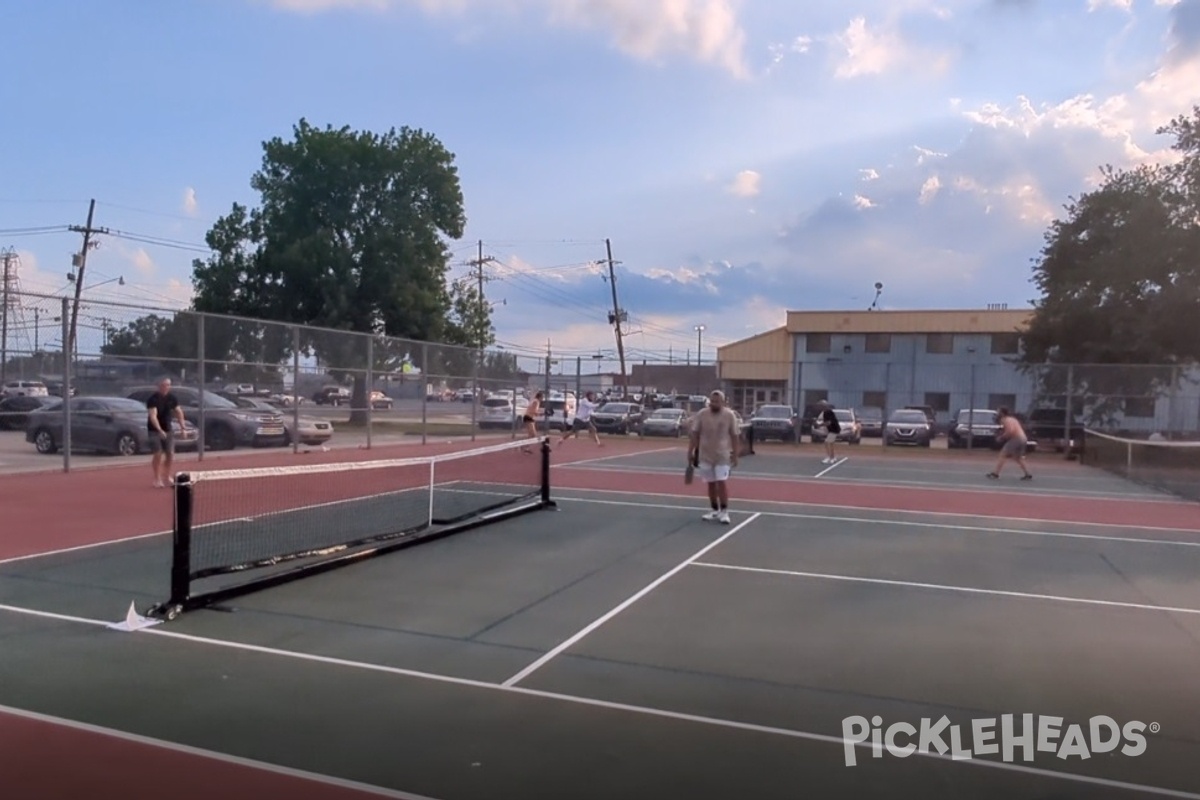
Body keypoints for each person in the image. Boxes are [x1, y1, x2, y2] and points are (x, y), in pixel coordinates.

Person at [688, 390, 740, 524]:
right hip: (705, 455)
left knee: (721, 482)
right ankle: (714, 509)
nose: (713, 403)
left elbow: (734, 436)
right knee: (710, 484)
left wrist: (735, 455)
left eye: (716, 401)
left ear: (723, 402)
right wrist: (690, 452)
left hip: (722, 455)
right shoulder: (702, 414)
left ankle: (724, 511)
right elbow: (695, 434)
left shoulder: (729, 415)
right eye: (712, 401)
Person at [146, 377, 186, 488]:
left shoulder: (172, 398)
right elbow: (153, 416)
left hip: (168, 429)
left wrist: (183, 428)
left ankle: (166, 476)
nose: (166, 387)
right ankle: (157, 479)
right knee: (158, 454)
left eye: (168, 385)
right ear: (159, 386)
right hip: (154, 430)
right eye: (163, 385)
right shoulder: (152, 399)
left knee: (170, 454)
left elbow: (179, 412)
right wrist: (159, 430)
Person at [987, 407, 1032, 481]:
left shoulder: (1005, 420)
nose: (997, 413)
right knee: (1018, 457)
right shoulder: (1012, 419)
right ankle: (1027, 473)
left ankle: (995, 473)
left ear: (1002, 413)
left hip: (1017, 438)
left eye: (998, 412)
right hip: (1023, 438)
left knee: (1003, 454)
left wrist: (1001, 437)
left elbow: (1010, 431)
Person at [815, 400, 841, 464]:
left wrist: (819, 425)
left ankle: (829, 457)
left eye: (820, 406)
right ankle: (833, 457)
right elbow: (823, 420)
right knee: (830, 443)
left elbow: (828, 422)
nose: (819, 407)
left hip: (834, 429)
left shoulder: (828, 412)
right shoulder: (825, 412)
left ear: (824, 406)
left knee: (827, 442)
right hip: (833, 429)